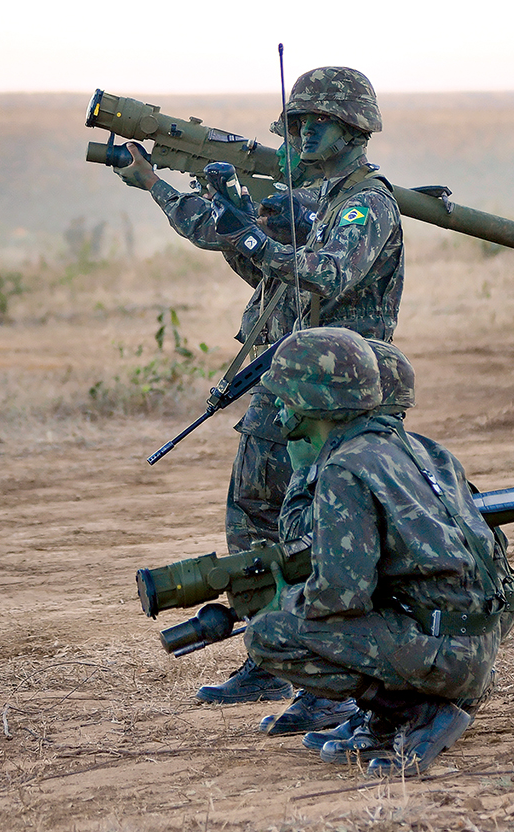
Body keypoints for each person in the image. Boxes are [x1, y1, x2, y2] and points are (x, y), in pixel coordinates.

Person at [112, 67, 405, 721]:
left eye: (314, 123)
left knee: (319, 531)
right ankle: (274, 659)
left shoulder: (366, 202)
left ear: (353, 129)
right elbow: (264, 267)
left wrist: (253, 235)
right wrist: (164, 189)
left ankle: (328, 685)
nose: (300, 134)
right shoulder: (323, 199)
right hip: (295, 383)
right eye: (295, 124)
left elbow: (330, 273)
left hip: (340, 392)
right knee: (256, 514)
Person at [244, 327, 505, 776]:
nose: (278, 407)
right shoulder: (422, 449)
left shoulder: (344, 466)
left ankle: (414, 713)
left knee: (269, 634)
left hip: (443, 655)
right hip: (477, 643)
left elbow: (341, 595)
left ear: (312, 402)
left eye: (285, 396)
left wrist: (275, 600)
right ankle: (399, 710)